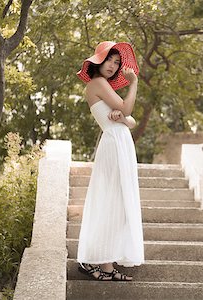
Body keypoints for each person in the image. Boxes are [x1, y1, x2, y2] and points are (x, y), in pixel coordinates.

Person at [75, 41, 144, 281]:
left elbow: (131, 120)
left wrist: (123, 117)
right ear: (98, 61)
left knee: (117, 204)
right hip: (114, 145)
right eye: (109, 61)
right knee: (111, 202)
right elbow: (127, 108)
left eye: (117, 63)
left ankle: (106, 265)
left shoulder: (102, 85)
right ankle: (95, 260)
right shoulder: (97, 83)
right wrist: (133, 83)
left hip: (120, 143)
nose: (114, 66)